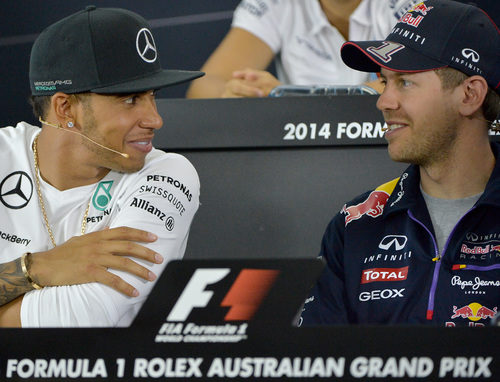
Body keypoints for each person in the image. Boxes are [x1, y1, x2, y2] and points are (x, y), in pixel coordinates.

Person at [0, 6, 204, 327]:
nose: (155, 119)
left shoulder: (168, 174)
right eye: (130, 99)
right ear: (66, 108)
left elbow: (83, 318)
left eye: (152, 96)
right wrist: (36, 267)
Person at [300, 0, 500, 326]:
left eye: (405, 82)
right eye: (384, 81)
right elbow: (318, 363)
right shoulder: (355, 226)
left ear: (469, 95)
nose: (384, 101)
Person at [186, 0, 418, 98]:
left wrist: (286, 95)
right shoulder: (278, 4)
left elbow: (416, 85)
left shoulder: (407, 5)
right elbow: (204, 87)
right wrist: (240, 91)